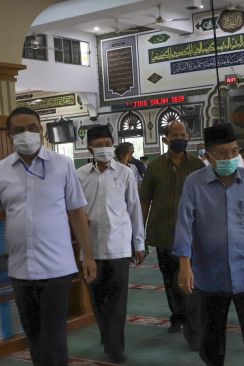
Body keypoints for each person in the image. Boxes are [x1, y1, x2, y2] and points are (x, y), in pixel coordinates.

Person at [0, 107, 96, 366]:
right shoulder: (0, 170)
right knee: (34, 335)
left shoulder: (62, 165)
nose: (27, 134)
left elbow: (77, 213)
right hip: (21, 269)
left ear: (42, 131)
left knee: (54, 337)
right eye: (19, 130)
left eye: (32, 128)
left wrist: (88, 255)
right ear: (9, 136)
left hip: (57, 268)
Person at [174, 124, 244, 366]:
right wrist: (184, 264)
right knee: (211, 336)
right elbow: (184, 225)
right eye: (223, 154)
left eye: (234, 151)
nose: (230, 158)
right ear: (208, 156)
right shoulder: (194, 183)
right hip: (209, 273)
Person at [77, 125, 145, 363]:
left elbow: (134, 209)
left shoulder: (125, 173)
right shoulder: (80, 175)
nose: (105, 148)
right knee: (98, 300)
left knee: (117, 301)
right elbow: (74, 211)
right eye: (100, 145)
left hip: (119, 247)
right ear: (90, 148)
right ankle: (108, 335)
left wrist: (139, 243)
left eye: (108, 143)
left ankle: (115, 346)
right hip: (90, 249)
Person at [139, 120, 204, 350]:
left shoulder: (197, 165)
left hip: (191, 235)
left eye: (183, 134)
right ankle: (177, 316)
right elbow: (145, 200)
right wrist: (140, 232)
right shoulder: (155, 167)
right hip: (163, 233)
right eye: (175, 134)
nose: (180, 137)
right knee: (170, 281)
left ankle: (193, 330)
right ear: (166, 139)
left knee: (188, 283)